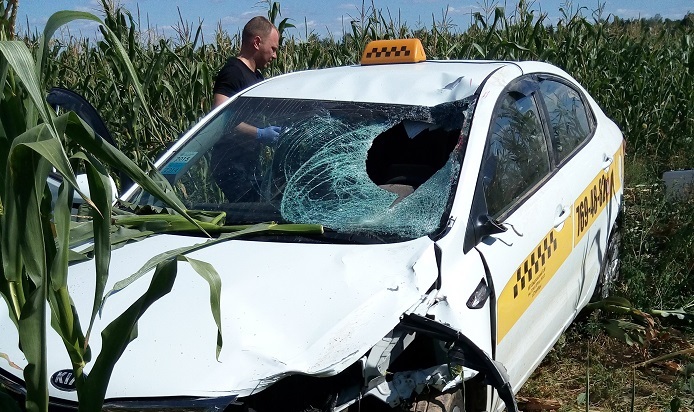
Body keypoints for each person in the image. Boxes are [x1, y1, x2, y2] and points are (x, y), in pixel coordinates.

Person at [210, 16, 281, 202]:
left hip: (248, 163)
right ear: (257, 42)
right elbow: (219, 116)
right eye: (273, 49)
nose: (275, 56)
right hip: (232, 166)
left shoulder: (256, 77)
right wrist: (259, 134)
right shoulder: (233, 72)